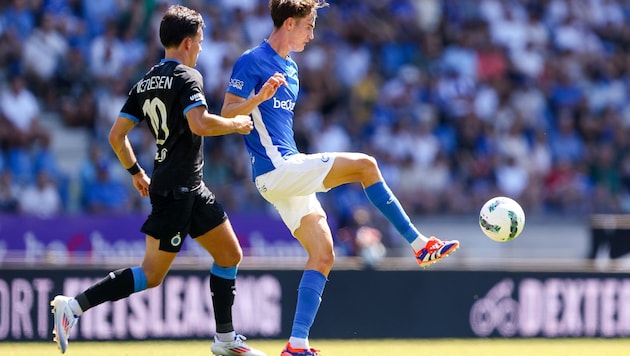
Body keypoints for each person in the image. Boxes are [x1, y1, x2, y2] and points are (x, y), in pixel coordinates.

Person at [220, 1, 460, 355]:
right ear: (289, 23)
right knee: (366, 165)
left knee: (324, 254)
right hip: (276, 169)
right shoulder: (252, 60)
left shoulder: (292, 68)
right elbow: (225, 113)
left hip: (285, 170)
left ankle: (296, 345)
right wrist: (257, 97)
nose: (312, 33)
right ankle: (419, 244)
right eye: (308, 25)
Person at [50, 5, 266, 356]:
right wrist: (236, 125)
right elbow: (199, 124)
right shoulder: (187, 77)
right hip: (176, 189)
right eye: (199, 41)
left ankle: (225, 340)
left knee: (230, 254)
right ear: (185, 42)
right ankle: (73, 306)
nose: (200, 47)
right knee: (151, 275)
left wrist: (136, 172)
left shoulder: (145, 82)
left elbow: (116, 136)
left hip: (187, 184)